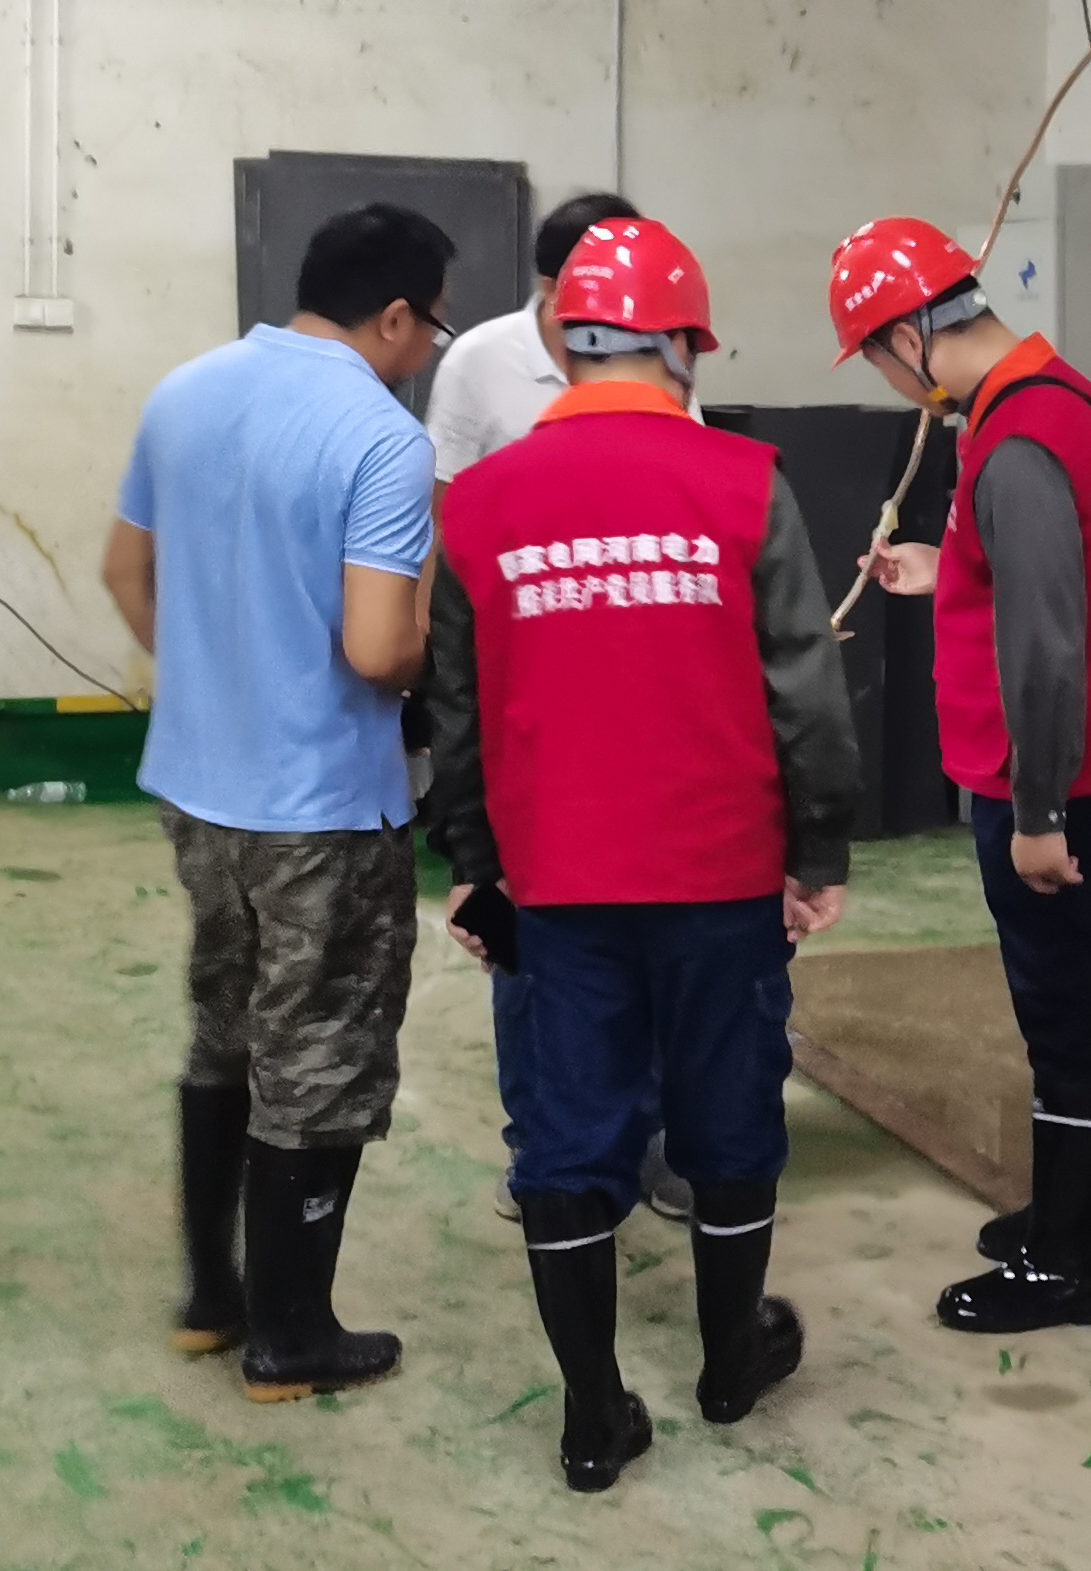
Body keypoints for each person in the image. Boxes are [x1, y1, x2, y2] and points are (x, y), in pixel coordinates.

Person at [429, 218, 860, 1491]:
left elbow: (457, 704)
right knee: (729, 1113)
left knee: (564, 1139)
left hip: (554, 885)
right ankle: (730, 1361)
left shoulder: (483, 502)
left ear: (565, 344)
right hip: (720, 874)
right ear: (683, 346)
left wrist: (473, 862)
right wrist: (817, 848)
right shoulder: (744, 483)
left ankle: (593, 1414)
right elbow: (806, 692)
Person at [828, 216, 1091, 1337]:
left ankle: (1070, 1263)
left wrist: (1040, 813)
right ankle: (1079, 1211)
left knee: (1068, 1012)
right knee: (1083, 999)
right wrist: (946, 564)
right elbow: (1051, 571)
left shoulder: (1016, 444)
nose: (890, 383)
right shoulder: (1059, 398)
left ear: (910, 336)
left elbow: (1046, 647)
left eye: (878, 358)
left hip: (1056, 785)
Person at [101, 203, 453, 1403]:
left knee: (226, 1027)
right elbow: (375, 648)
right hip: (323, 804)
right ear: (395, 315)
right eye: (430, 328)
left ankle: (214, 1296)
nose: (427, 351)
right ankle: (292, 1335)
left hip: (200, 789)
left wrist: (218, 680)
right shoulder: (382, 436)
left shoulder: (184, 392)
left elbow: (126, 570)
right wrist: (440, 652)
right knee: (320, 1055)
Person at [424, 191, 696, 1226]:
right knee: (526, 929)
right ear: (550, 287)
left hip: (643, 688)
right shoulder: (479, 363)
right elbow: (450, 522)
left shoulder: (659, 356)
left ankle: (657, 1139)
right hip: (525, 687)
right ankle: (542, 1142)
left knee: (659, 916)